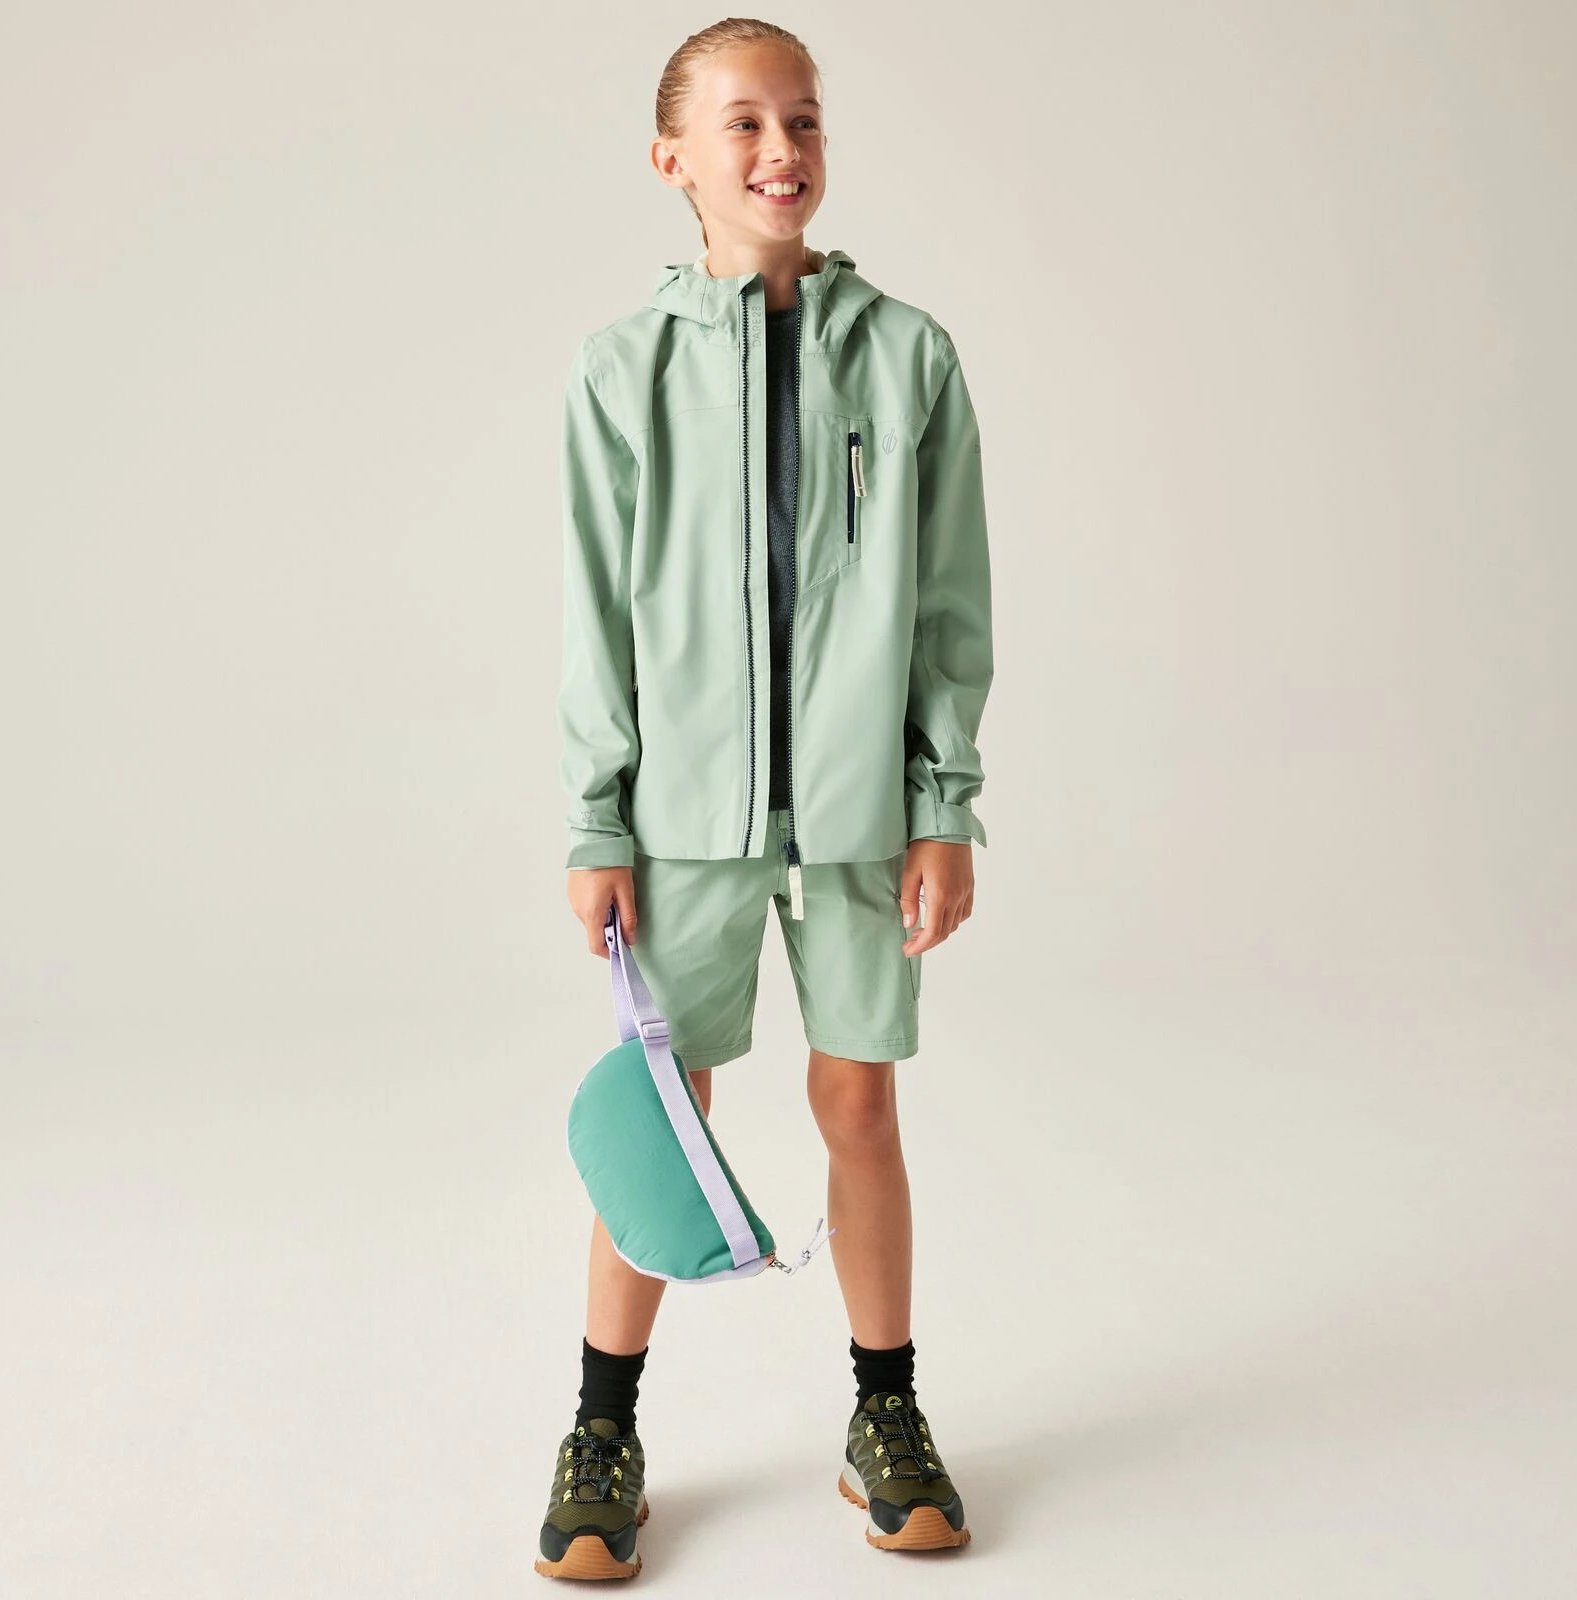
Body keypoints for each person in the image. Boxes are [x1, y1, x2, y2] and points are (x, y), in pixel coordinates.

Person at [536, 17, 993, 1580]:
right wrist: (599, 820)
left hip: (863, 817)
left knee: (859, 1104)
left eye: (801, 118)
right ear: (673, 158)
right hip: (683, 821)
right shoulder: (623, 370)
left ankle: (888, 1410)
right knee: (666, 1114)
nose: (779, 148)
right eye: (741, 123)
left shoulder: (911, 357)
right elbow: (596, 615)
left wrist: (944, 803)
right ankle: (602, 1428)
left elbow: (947, 602)